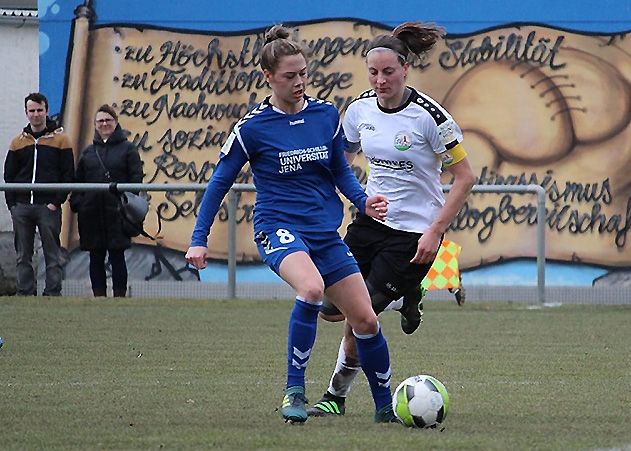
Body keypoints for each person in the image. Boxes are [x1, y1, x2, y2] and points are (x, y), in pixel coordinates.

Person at [185, 25, 398, 424]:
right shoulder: (252, 128)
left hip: (324, 234)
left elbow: (340, 168)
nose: (299, 81)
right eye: (290, 75)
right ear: (268, 77)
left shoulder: (325, 115)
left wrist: (363, 201)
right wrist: (199, 239)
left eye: (303, 73)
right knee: (312, 288)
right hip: (278, 227)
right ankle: (293, 391)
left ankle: (386, 407)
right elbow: (219, 183)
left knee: (366, 319)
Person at [307, 22, 476, 417]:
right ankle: (406, 296)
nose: (380, 80)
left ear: (405, 69)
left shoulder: (430, 118)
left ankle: (336, 395)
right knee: (330, 309)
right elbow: (342, 159)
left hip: (413, 234)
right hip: (370, 225)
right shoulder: (359, 110)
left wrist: (436, 231)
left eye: (388, 72)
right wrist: (357, 198)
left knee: (359, 318)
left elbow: (466, 177)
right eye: (373, 72)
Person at [4, 92, 75, 296]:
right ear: (26, 113)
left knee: (52, 253)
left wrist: (56, 202)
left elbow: (68, 174)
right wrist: (13, 205)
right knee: (23, 254)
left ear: (46, 111)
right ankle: (25, 292)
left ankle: (53, 292)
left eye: (39, 110)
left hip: (48, 207)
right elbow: (9, 174)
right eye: (31, 110)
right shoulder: (18, 142)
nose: (36, 114)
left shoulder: (61, 140)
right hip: (22, 207)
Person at [70, 104, 143, 297]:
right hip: (91, 213)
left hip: (117, 213)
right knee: (95, 257)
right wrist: (78, 203)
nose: (104, 124)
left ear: (116, 123)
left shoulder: (128, 149)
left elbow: (136, 179)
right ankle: (99, 296)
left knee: (117, 256)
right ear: (95, 125)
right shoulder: (88, 152)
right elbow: (78, 181)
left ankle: (119, 296)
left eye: (108, 120)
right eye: (100, 121)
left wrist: (128, 203)